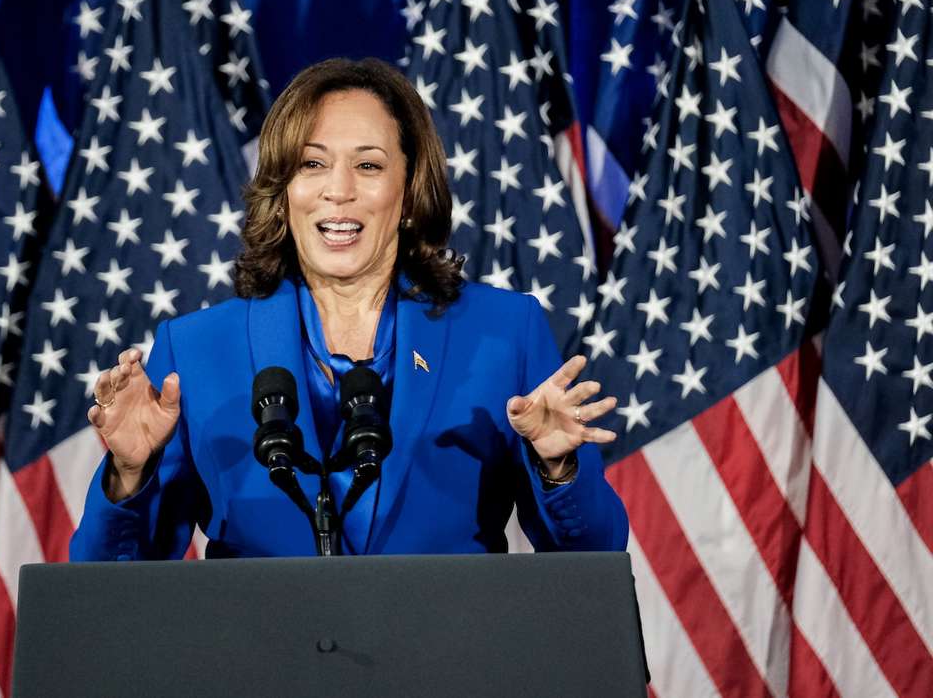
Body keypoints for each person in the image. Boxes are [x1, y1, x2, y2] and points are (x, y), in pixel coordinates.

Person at [70, 58, 629, 560]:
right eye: (312, 164)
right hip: (258, 644)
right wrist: (129, 473)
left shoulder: (503, 333)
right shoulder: (195, 350)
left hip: (450, 642)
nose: (338, 190)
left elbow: (593, 559)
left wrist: (558, 468)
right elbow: (113, 588)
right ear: (283, 191)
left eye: (368, 166)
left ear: (408, 191)